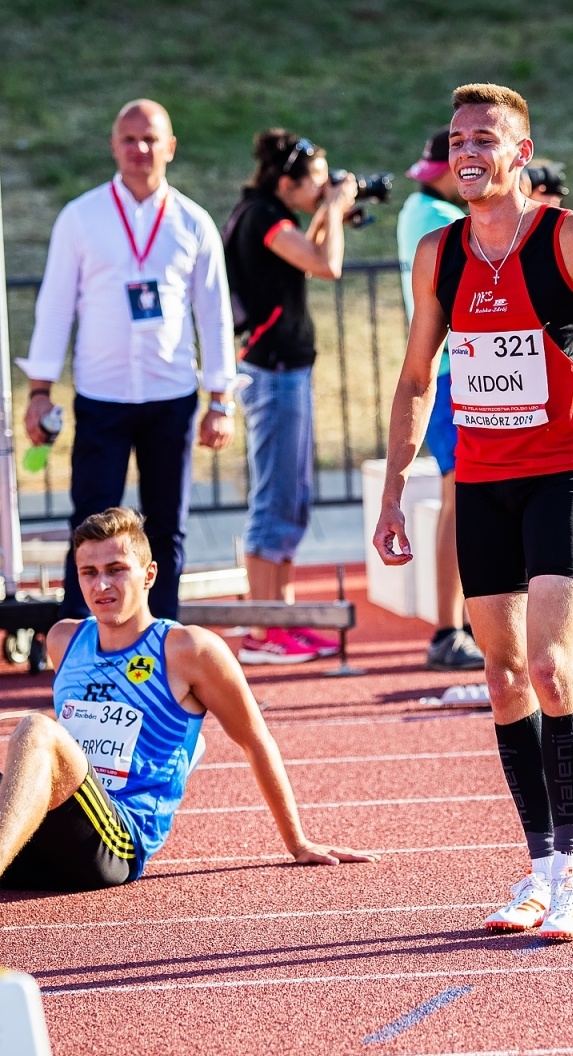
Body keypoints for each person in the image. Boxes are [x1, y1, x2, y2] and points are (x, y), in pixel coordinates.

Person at [372, 84, 573, 940]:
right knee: (502, 675)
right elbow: (416, 378)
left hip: (563, 470)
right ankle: (540, 869)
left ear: (520, 153)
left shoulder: (570, 239)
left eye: (484, 138)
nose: (466, 151)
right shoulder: (439, 254)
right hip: (482, 479)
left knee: (553, 667)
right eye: (457, 139)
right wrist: (395, 489)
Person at [0, 506, 375, 928]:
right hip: (28, 839)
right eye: (89, 573)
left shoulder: (188, 649)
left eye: (116, 570)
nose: (102, 585)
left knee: (37, 729)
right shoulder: (64, 639)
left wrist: (297, 842)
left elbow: (255, 739)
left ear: (149, 574)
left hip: (111, 846)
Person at [18, 100, 236, 623]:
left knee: (166, 528)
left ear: (171, 147)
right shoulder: (81, 217)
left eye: (150, 139)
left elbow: (214, 315)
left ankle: (161, 640)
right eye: (129, 139)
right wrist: (39, 391)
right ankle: (81, 641)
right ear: (113, 147)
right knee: (91, 525)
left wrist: (220, 400)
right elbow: (55, 306)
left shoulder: (193, 222)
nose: (140, 149)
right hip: (102, 396)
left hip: (171, 396)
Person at [222, 130, 356, 665]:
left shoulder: (270, 213)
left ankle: (282, 617)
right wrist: (335, 209)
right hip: (273, 371)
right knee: (274, 501)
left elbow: (310, 254)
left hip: (286, 369)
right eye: (315, 183)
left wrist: (327, 210)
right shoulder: (262, 217)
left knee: (291, 500)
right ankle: (263, 628)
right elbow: (326, 264)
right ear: (286, 182)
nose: (321, 190)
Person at [396, 127, 482, 672]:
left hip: (455, 371)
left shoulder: (419, 210)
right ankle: (450, 628)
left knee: (466, 501)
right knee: (459, 501)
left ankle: (463, 624)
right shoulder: (439, 217)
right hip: (454, 373)